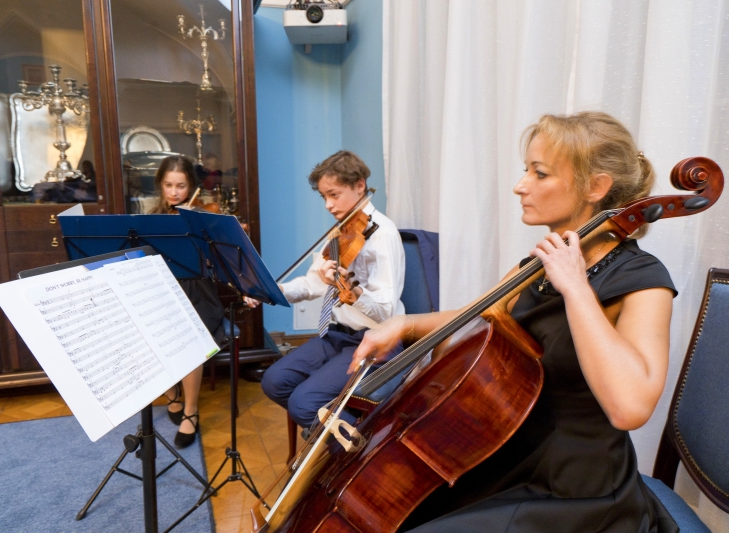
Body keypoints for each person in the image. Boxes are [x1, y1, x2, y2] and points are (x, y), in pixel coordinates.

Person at [349, 112, 679, 533]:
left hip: (574, 489)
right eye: (526, 170)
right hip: (503, 455)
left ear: (596, 187)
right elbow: (474, 318)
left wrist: (576, 287)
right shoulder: (536, 267)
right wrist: (403, 324)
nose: (520, 186)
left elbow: (630, 408)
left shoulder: (643, 280)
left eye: (539, 173)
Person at [250, 150, 406, 430]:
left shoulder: (383, 234)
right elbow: (312, 284)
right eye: (324, 197)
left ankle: (360, 444)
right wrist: (269, 291)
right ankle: (330, 432)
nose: (328, 205)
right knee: (274, 381)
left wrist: (353, 293)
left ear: (360, 186)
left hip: (373, 339)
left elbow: (386, 311)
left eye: (334, 195)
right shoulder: (341, 231)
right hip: (336, 334)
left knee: (303, 403)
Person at [149, 155, 226, 448]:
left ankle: (191, 410)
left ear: (191, 186)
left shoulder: (202, 216)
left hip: (197, 292)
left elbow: (219, 262)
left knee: (189, 336)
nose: (174, 192)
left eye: (180, 186)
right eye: (168, 185)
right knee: (148, 330)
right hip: (162, 290)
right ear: (160, 185)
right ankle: (173, 396)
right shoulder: (150, 219)